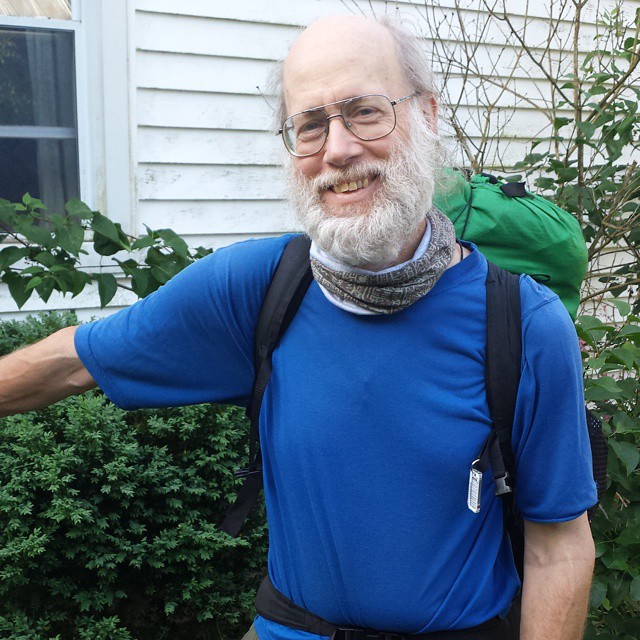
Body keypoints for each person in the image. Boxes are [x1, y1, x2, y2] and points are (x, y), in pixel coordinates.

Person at [0, 14, 596, 640]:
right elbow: (72, 362)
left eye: (365, 111)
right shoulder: (260, 289)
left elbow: (558, 548)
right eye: (310, 125)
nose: (337, 149)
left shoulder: (523, 324)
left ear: (426, 114)